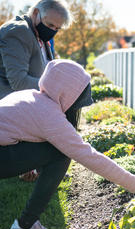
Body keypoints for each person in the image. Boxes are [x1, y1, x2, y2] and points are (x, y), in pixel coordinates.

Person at [0, 59, 135, 229]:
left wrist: (27, 167)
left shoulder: (30, 96)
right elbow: (90, 157)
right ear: (68, 94)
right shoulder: (49, 116)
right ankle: (25, 227)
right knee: (60, 153)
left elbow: (14, 132)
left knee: (55, 150)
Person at [0, 0, 72, 181]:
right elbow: (18, 81)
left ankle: (50, 164)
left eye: (57, 28)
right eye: (50, 25)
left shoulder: (40, 35)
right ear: (35, 14)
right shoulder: (18, 32)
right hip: (8, 102)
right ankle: (35, 164)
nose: (53, 30)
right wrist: (56, 88)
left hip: (28, 100)